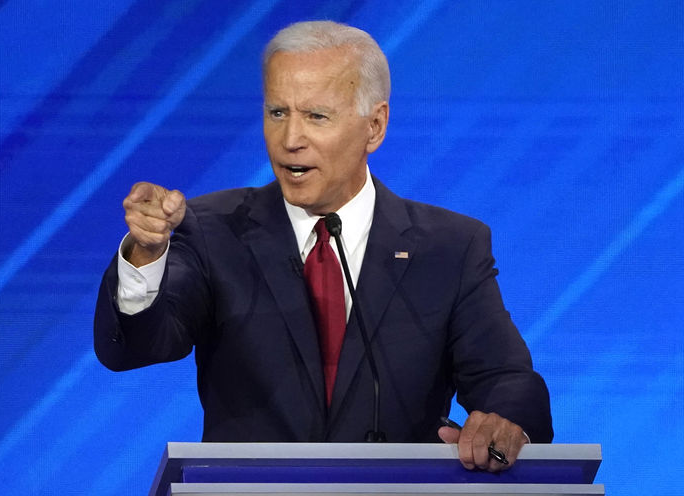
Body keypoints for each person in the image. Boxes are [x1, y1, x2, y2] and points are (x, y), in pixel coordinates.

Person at [94, 20, 552, 472]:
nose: (291, 140)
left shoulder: (450, 247)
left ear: (374, 126)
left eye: (316, 116)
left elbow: (504, 377)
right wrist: (147, 255)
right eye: (277, 113)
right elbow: (136, 348)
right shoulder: (214, 229)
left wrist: (505, 422)